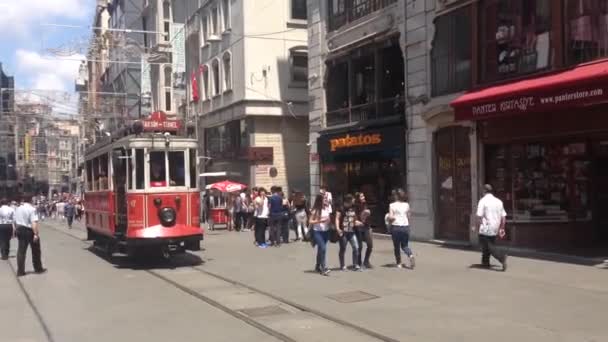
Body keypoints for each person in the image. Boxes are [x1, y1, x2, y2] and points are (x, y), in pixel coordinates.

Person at [473, 184, 508, 271]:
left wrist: (476, 227)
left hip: (486, 227)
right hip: (495, 227)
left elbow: (479, 216)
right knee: (487, 245)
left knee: (488, 246)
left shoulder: (483, 201)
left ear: (484, 191)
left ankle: (501, 257)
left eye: (482, 191)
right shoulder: (499, 201)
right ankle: (485, 262)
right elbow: (503, 217)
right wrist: (502, 228)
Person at [14, 196, 46, 276]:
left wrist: (15, 230)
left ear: (23, 199)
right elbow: (34, 223)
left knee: (21, 251)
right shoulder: (32, 209)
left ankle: (20, 271)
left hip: (20, 229)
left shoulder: (18, 208)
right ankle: (38, 268)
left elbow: (15, 221)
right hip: (29, 230)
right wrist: (36, 234)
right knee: (36, 250)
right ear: (31, 200)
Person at [388, 189, 415, 269]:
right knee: (405, 246)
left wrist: (389, 220)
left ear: (396, 196)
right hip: (405, 227)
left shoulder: (392, 205)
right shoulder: (406, 205)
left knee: (396, 246)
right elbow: (409, 217)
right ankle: (410, 255)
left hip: (396, 227)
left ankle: (399, 263)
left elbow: (391, 217)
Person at [335, 194, 361, 271]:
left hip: (352, 231)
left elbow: (354, 218)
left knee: (356, 247)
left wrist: (357, 222)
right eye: (353, 199)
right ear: (349, 200)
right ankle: (342, 265)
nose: (354, 201)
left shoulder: (353, 208)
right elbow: (337, 218)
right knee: (343, 248)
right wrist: (337, 228)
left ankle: (355, 264)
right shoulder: (341, 208)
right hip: (343, 232)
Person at [310, 194, 332, 276]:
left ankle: (317, 266)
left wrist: (329, 221)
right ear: (320, 200)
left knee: (320, 250)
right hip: (317, 232)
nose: (326, 200)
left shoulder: (326, 208)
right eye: (324, 199)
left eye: (326, 199)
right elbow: (310, 221)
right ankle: (324, 268)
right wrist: (320, 221)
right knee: (323, 248)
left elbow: (328, 219)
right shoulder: (315, 210)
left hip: (326, 231)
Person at [355, 192, 374, 269]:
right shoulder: (355, 206)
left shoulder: (366, 204)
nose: (363, 197)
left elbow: (368, 213)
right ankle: (359, 263)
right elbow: (355, 216)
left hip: (367, 227)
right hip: (359, 227)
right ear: (358, 198)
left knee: (370, 245)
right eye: (361, 196)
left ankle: (366, 261)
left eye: (363, 196)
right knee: (360, 246)